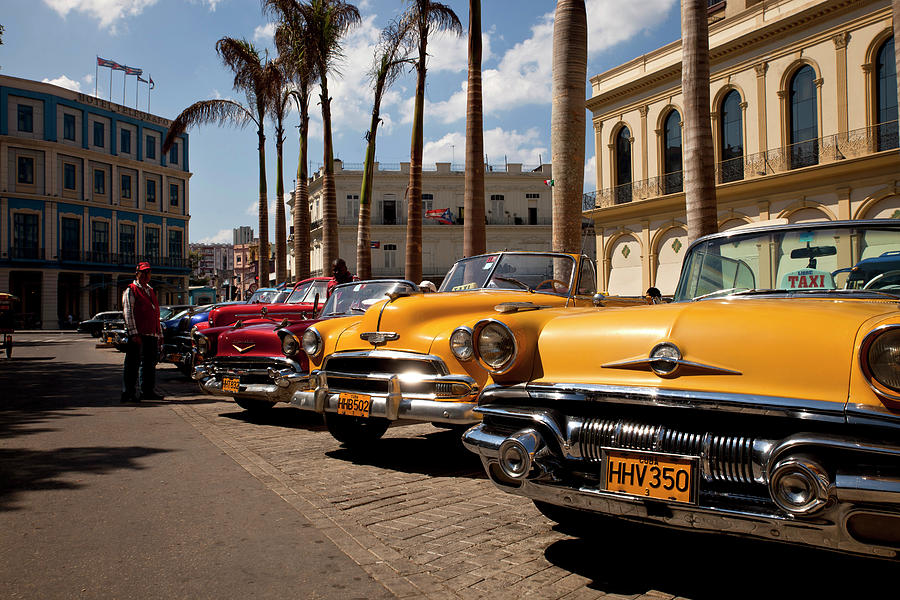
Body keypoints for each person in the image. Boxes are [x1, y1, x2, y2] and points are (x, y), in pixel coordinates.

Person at [121, 262, 164, 402]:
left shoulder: (150, 290)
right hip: (138, 334)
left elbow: (155, 314)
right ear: (137, 273)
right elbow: (128, 313)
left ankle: (148, 391)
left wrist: (159, 334)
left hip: (151, 334)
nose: (146, 276)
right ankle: (129, 393)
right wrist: (133, 333)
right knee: (132, 364)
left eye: (148, 273)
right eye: (143, 273)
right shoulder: (131, 290)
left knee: (149, 364)